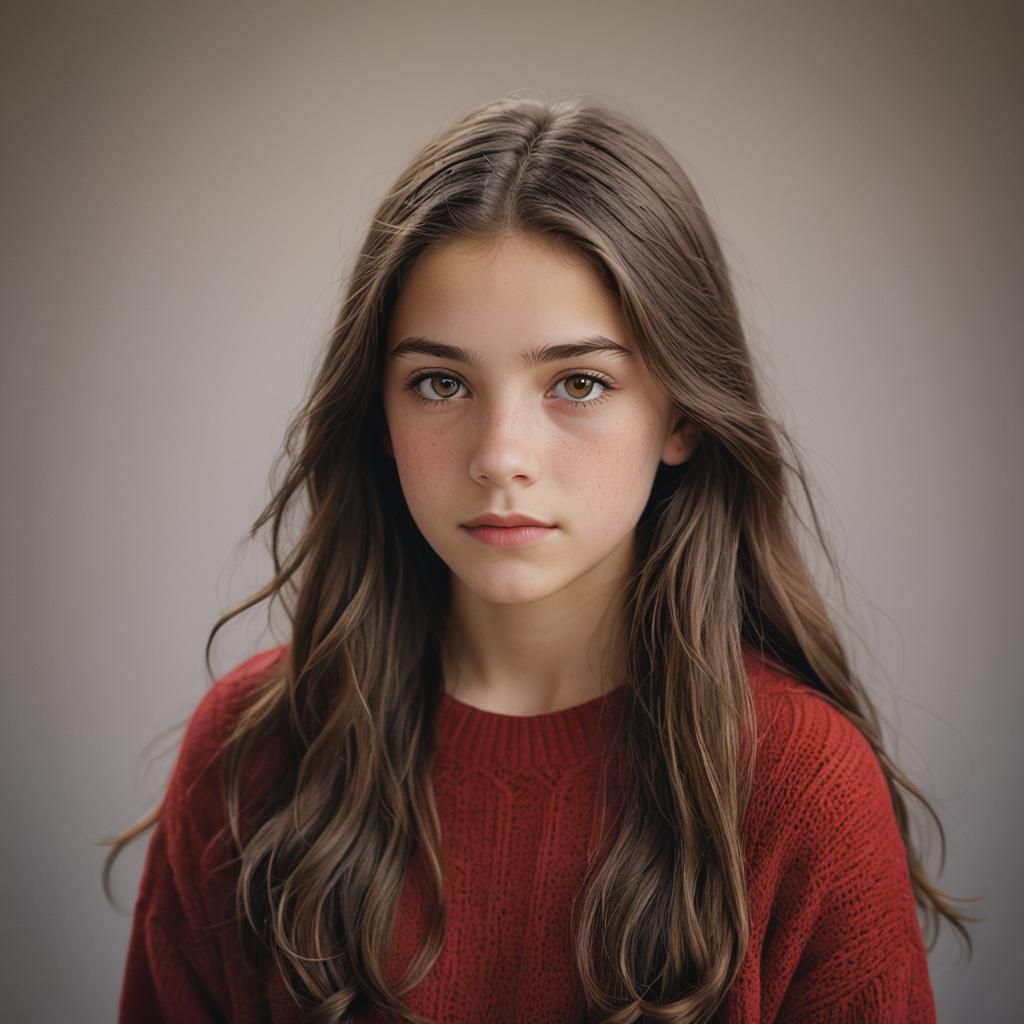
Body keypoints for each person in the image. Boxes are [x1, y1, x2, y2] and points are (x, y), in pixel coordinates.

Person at [101, 93, 974, 1023]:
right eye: (440, 382)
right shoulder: (250, 760)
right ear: (380, 418)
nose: (500, 455)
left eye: (579, 383)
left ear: (680, 413)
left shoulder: (803, 791)